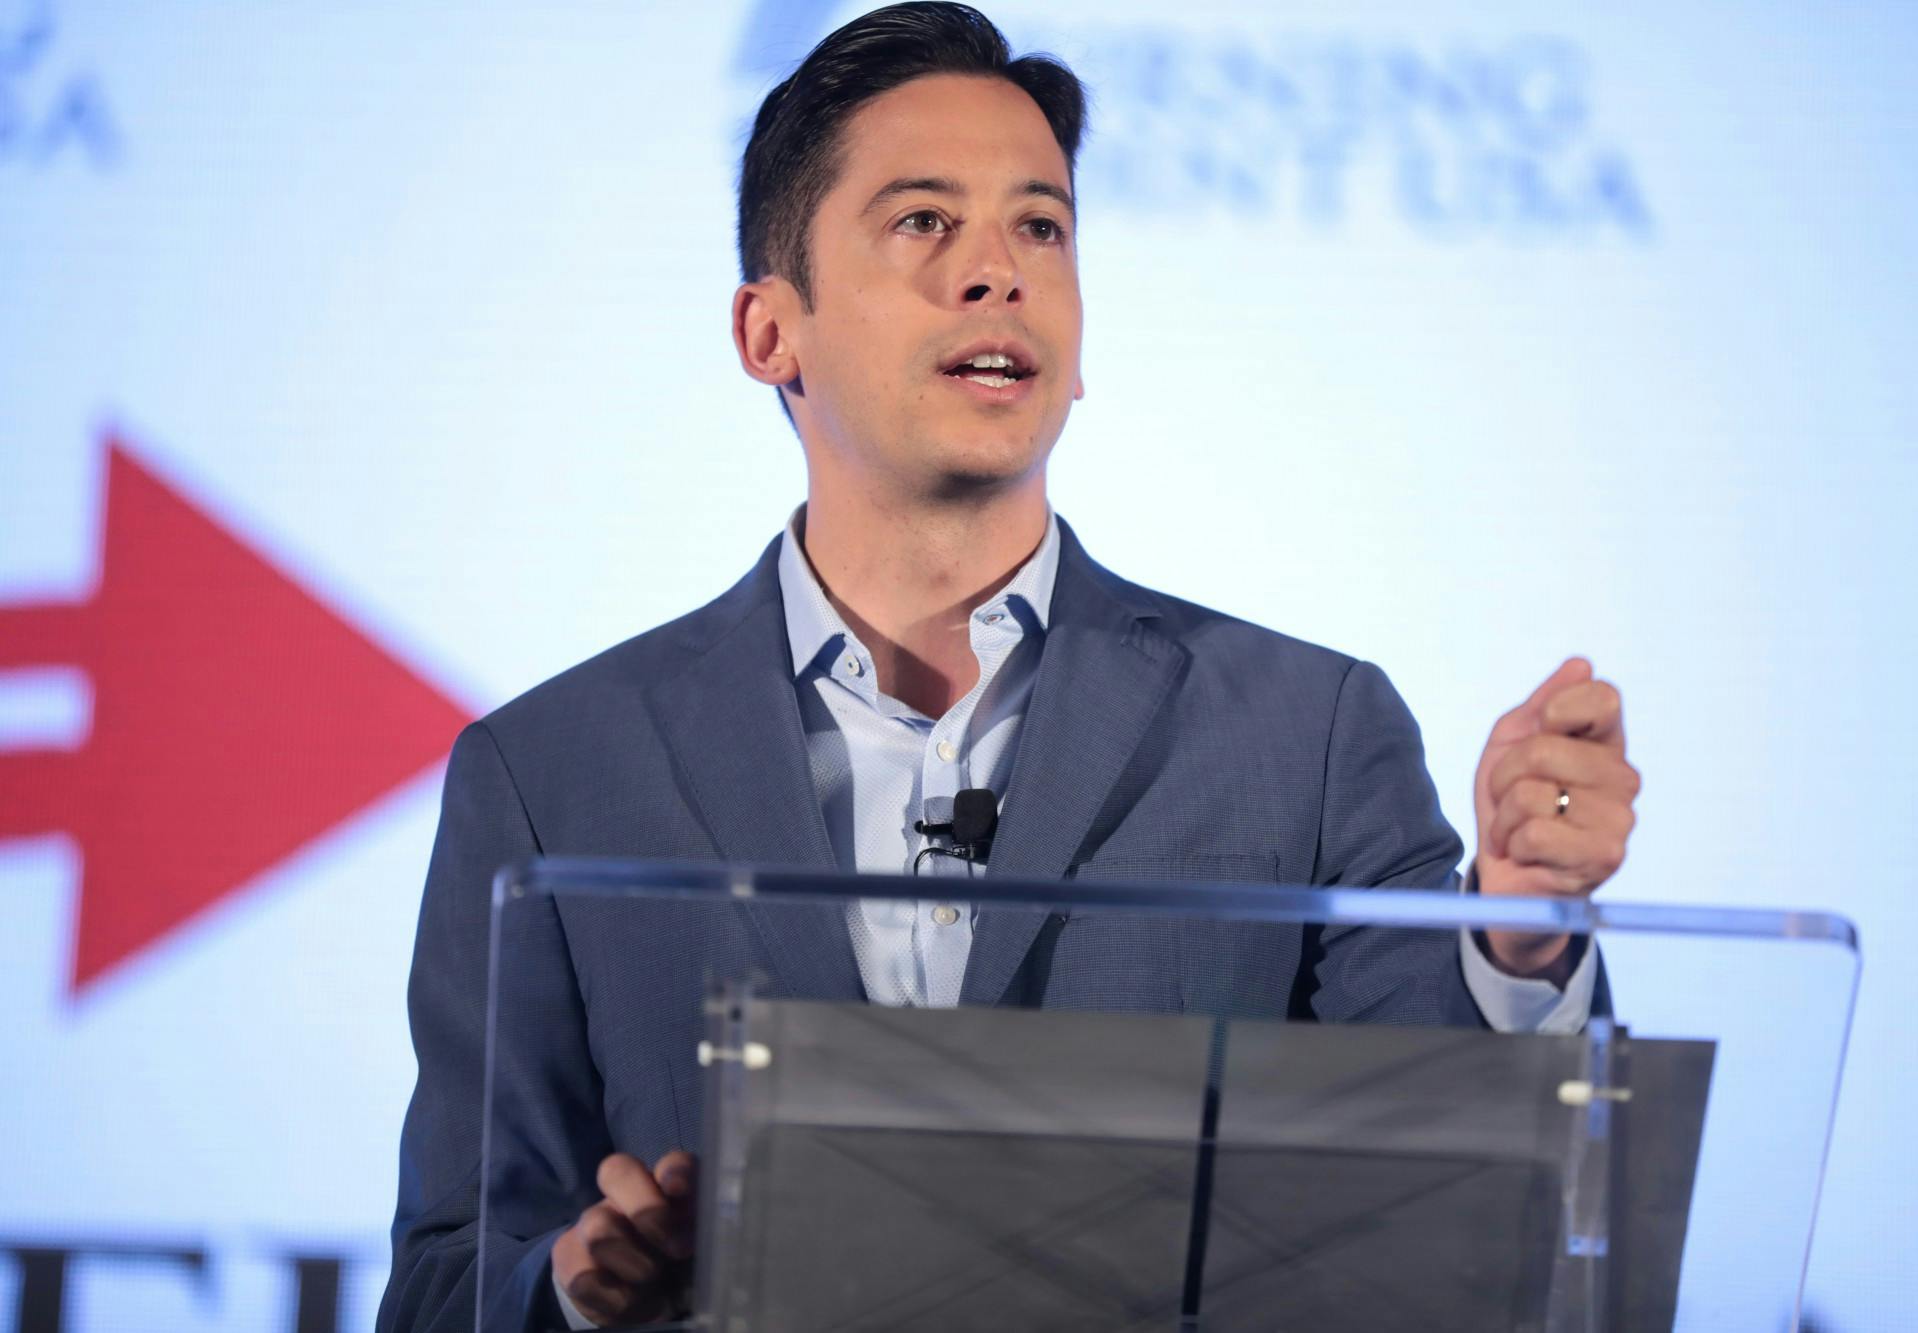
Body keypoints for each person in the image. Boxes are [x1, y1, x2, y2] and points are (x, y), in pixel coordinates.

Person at [377, 4, 1641, 1330]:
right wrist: (575, 1289)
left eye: (1040, 226)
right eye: (924, 222)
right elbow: (443, 1280)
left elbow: (1466, 1205)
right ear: (770, 332)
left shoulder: (1307, 732)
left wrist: (1514, 930)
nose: (1000, 272)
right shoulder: (551, 773)